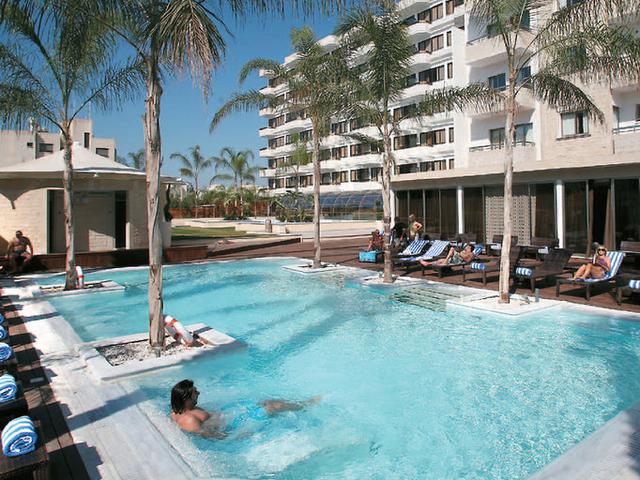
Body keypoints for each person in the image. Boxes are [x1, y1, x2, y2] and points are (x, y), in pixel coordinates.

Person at [170, 379, 320, 438]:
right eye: (195, 392)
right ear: (186, 399)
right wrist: (239, 435)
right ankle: (305, 405)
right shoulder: (189, 420)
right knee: (274, 406)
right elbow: (211, 437)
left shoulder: (179, 410)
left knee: (265, 402)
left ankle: (297, 405)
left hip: (228, 416)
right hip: (233, 424)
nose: (198, 392)